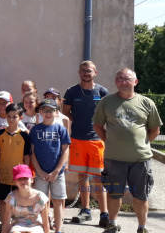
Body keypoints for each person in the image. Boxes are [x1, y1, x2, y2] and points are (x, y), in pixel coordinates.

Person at [93, 68, 162, 233]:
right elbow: (97, 125)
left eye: (127, 78)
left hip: (140, 160)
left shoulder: (146, 103)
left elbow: (155, 129)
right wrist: (110, 141)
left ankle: (142, 227)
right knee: (114, 193)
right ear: (116, 82)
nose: (123, 82)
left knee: (140, 195)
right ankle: (112, 223)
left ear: (135, 82)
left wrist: (142, 144)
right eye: (119, 78)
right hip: (114, 159)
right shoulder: (106, 102)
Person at [62, 60, 109, 226]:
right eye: (83, 70)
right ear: (79, 73)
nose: (86, 73)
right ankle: (86, 210)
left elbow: (108, 114)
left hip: (97, 142)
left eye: (89, 70)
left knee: (98, 179)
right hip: (77, 140)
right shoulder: (72, 92)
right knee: (82, 178)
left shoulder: (102, 91)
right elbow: (66, 112)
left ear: (95, 72)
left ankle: (104, 214)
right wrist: (79, 123)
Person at [29, 99, 70, 233]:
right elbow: (32, 153)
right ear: (40, 112)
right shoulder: (35, 130)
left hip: (57, 173)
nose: (48, 113)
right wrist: (39, 171)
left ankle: (58, 229)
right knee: (42, 203)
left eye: (51, 110)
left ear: (56, 112)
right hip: (41, 173)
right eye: (45, 110)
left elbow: (65, 151)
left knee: (58, 201)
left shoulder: (61, 129)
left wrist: (57, 171)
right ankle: (45, 228)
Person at [0, 105, 31, 230]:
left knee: (17, 201)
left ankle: (16, 227)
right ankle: (4, 226)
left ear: (20, 117)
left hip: (18, 175)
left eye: (15, 117)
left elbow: (26, 157)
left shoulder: (25, 136)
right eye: (9, 116)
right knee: (4, 202)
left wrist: (27, 175)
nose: (11, 119)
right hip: (3, 174)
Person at [1, 164, 50, 233]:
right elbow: (6, 222)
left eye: (26, 178)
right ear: (15, 181)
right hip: (17, 225)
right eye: (19, 179)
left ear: (32, 179)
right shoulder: (11, 197)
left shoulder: (40, 197)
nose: (23, 181)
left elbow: (46, 222)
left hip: (36, 225)